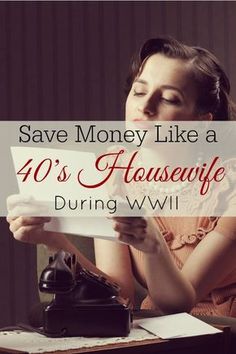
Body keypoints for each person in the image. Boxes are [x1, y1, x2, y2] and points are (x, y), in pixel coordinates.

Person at [7, 37, 236, 318]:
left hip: (223, 330)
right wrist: (54, 239)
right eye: (139, 92)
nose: (146, 107)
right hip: (158, 330)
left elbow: (178, 303)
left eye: (168, 99)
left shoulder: (228, 188)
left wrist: (151, 242)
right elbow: (119, 294)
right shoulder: (113, 174)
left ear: (202, 121)